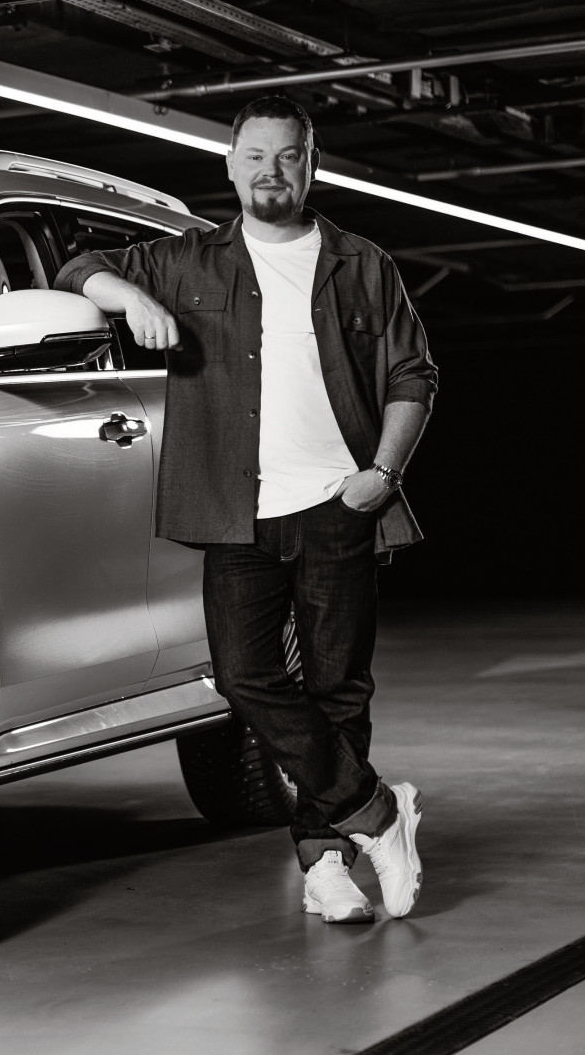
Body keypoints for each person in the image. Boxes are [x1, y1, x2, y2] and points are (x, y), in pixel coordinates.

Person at [54, 95, 436, 923]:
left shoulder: (362, 263)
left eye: (288, 156)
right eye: (255, 156)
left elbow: (414, 374)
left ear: (312, 163)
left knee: (339, 689)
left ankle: (325, 862)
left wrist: (382, 473)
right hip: (238, 512)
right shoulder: (186, 261)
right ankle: (377, 811)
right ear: (231, 167)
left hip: (339, 503)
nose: (272, 172)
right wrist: (131, 299)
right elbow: (75, 266)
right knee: (243, 677)